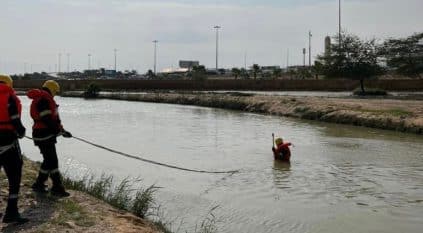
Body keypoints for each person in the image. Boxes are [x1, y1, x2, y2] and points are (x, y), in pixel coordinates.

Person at [27, 80, 72, 197]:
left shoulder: (44, 99)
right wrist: (57, 131)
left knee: (48, 160)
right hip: (44, 135)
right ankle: (57, 187)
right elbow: (47, 119)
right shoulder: (43, 100)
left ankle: (39, 184)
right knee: (52, 161)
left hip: (43, 134)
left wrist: (62, 131)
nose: (55, 94)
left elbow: (54, 120)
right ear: (52, 89)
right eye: (55, 92)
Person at [0, 74, 29, 223]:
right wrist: (22, 131)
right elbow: (15, 119)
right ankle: (11, 212)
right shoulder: (10, 98)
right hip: (8, 142)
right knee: (14, 175)